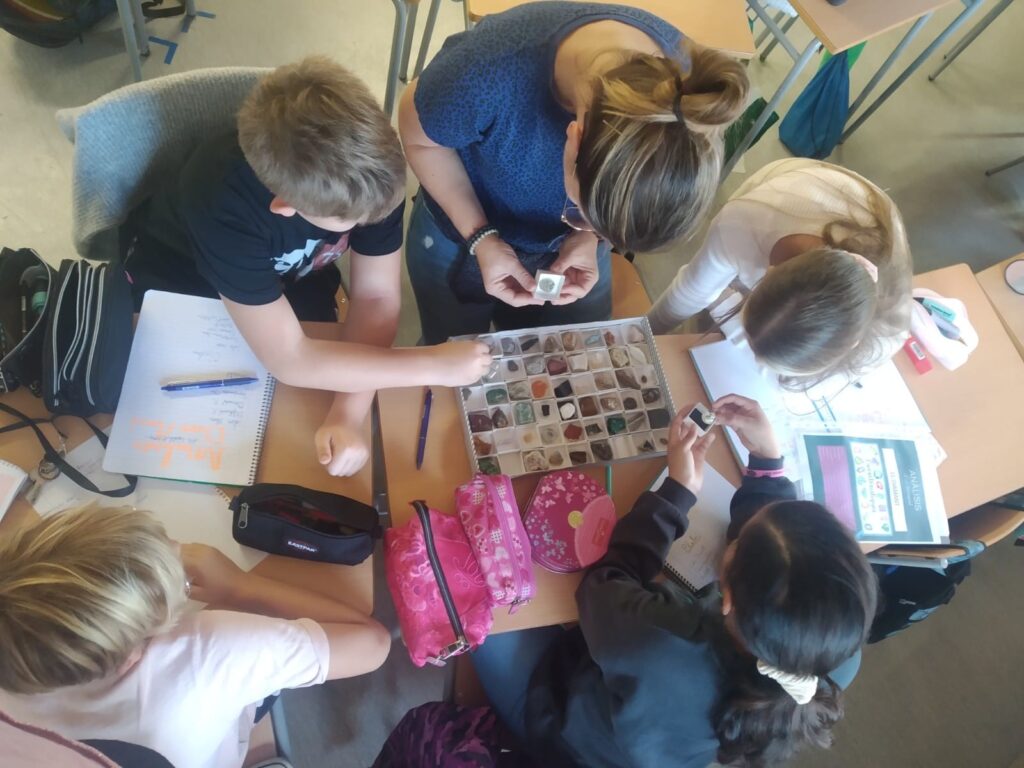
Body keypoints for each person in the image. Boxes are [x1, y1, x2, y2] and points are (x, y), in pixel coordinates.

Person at [122, 56, 491, 477]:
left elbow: (375, 298)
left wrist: (347, 413)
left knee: (305, 408)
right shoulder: (219, 199)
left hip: (291, 278)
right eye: (352, 223)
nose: (370, 224)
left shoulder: (371, 180)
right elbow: (290, 359)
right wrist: (431, 365)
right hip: (183, 285)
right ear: (287, 207)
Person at [470, 396, 878, 768]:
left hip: (563, 727)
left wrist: (676, 494)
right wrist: (767, 465)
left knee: (474, 588)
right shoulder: (837, 655)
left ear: (728, 598)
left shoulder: (663, 640)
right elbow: (779, 555)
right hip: (639, 714)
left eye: (740, 543)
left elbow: (602, 585)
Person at [399, 2, 748, 344]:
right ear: (574, 137)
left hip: (561, 250)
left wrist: (588, 237)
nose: (589, 228)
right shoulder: (484, 72)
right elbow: (423, 142)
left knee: (557, 344)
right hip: (458, 230)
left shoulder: (693, 101)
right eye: (580, 213)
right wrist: (481, 238)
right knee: (450, 342)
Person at [0, 506, 391, 768]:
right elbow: (372, 643)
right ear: (133, 649)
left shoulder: (18, 653)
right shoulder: (208, 650)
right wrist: (240, 588)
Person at [648, 158, 914, 389]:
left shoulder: (888, 322)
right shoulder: (743, 224)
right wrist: (644, 335)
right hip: (793, 188)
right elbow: (692, 290)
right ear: (761, 277)